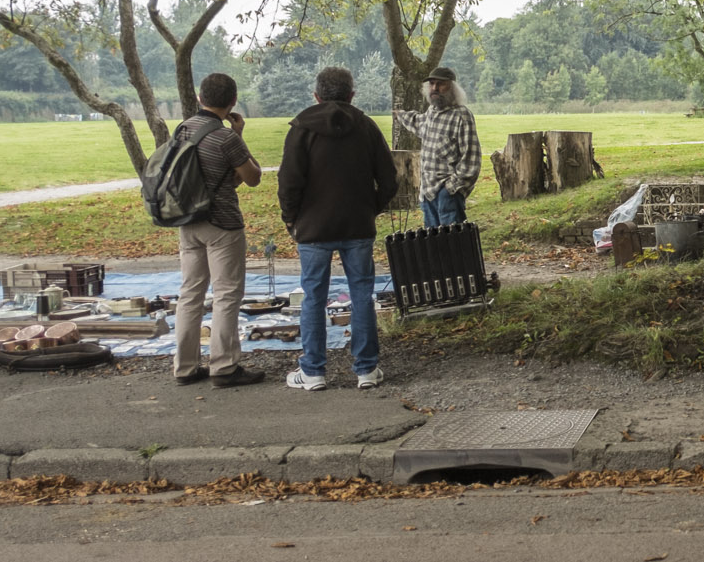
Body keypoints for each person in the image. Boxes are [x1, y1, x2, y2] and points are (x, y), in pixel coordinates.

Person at [278, 67, 398, 392]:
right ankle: (366, 369)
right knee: (362, 294)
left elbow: (289, 180)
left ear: (316, 95)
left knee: (313, 296)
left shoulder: (301, 129)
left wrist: (291, 219)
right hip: (358, 224)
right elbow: (389, 180)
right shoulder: (367, 127)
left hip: (313, 227)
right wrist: (370, 207)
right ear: (351, 94)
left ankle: (314, 371)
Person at [172, 73, 266, 388]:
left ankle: (184, 367)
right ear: (232, 102)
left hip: (187, 222)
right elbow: (252, 177)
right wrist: (239, 135)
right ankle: (224, 367)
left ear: (200, 98)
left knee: (190, 294)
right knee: (226, 295)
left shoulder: (183, 130)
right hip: (222, 223)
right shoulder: (226, 138)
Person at [393, 67, 480, 226]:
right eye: (432, 84)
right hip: (427, 194)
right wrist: (400, 115)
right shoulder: (432, 112)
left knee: (453, 245)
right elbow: (418, 122)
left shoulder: (461, 115)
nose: (435, 88)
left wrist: (451, 189)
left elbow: (471, 160)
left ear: (452, 88)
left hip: (448, 194)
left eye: (441, 84)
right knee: (433, 246)